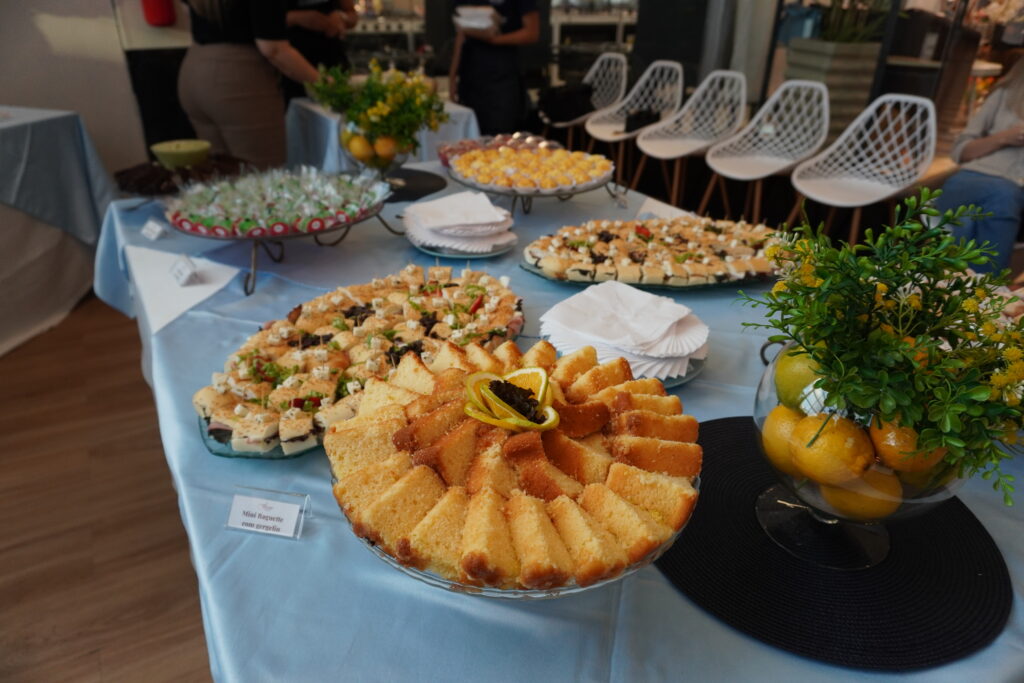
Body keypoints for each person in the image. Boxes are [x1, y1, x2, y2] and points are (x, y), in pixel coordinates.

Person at [178, 0, 321, 168]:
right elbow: (273, 48)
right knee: (263, 176)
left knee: (219, 174)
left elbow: (186, 10)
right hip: (237, 76)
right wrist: (323, 84)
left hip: (195, 67)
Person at [936, 58, 1024, 273]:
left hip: (1013, 199)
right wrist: (1004, 137)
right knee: (1003, 194)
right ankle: (989, 291)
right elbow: (961, 152)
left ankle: (959, 288)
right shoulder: (1005, 96)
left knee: (969, 221)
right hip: (972, 180)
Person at [448, 0, 540, 135]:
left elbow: (532, 33)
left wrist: (494, 40)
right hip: (471, 76)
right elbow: (460, 36)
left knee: (499, 134)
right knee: (470, 133)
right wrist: (452, 77)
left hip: (502, 77)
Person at [282, 0, 358, 103]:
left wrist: (341, 17)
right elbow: (264, 23)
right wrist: (297, 18)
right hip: (291, 66)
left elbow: (352, 15)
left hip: (333, 60)